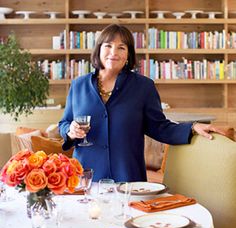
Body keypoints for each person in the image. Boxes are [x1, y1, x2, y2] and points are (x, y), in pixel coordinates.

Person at [59, 24, 225, 182]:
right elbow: (64, 123)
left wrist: (193, 127)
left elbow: (159, 126)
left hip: (128, 178)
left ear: (128, 55)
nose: (113, 52)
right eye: (108, 45)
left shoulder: (143, 87)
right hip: (86, 177)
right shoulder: (78, 85)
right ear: (99, 49)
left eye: (121, 47)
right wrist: (70, 131)